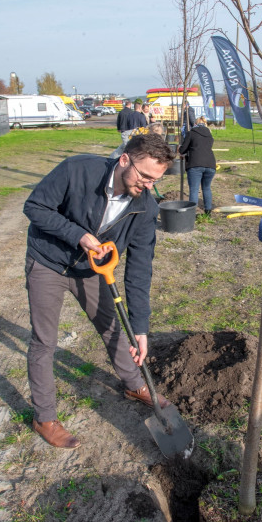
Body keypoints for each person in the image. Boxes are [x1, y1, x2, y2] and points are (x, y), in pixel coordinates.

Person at [23, 134, 175, 449]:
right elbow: (35, 207)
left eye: (155, 180)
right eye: (144, 176)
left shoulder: (145, 208)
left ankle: (135, 384)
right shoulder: (78, 169)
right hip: (48, 262)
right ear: (124, 160)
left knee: (115, 329)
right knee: (44, 341)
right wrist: (78, 235)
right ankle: (45, 417)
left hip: (93, 271)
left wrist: (142, 328)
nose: (148, 185)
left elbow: (140, 268)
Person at [179, 115, 216, 215]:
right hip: (210, 164)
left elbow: (183, 150)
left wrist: (180, 148)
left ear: (195, 123)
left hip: (195, 164)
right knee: (206, 188)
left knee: (194, 190)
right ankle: (208, 212)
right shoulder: (209, 135)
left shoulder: (191, 133)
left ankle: (192, 214)